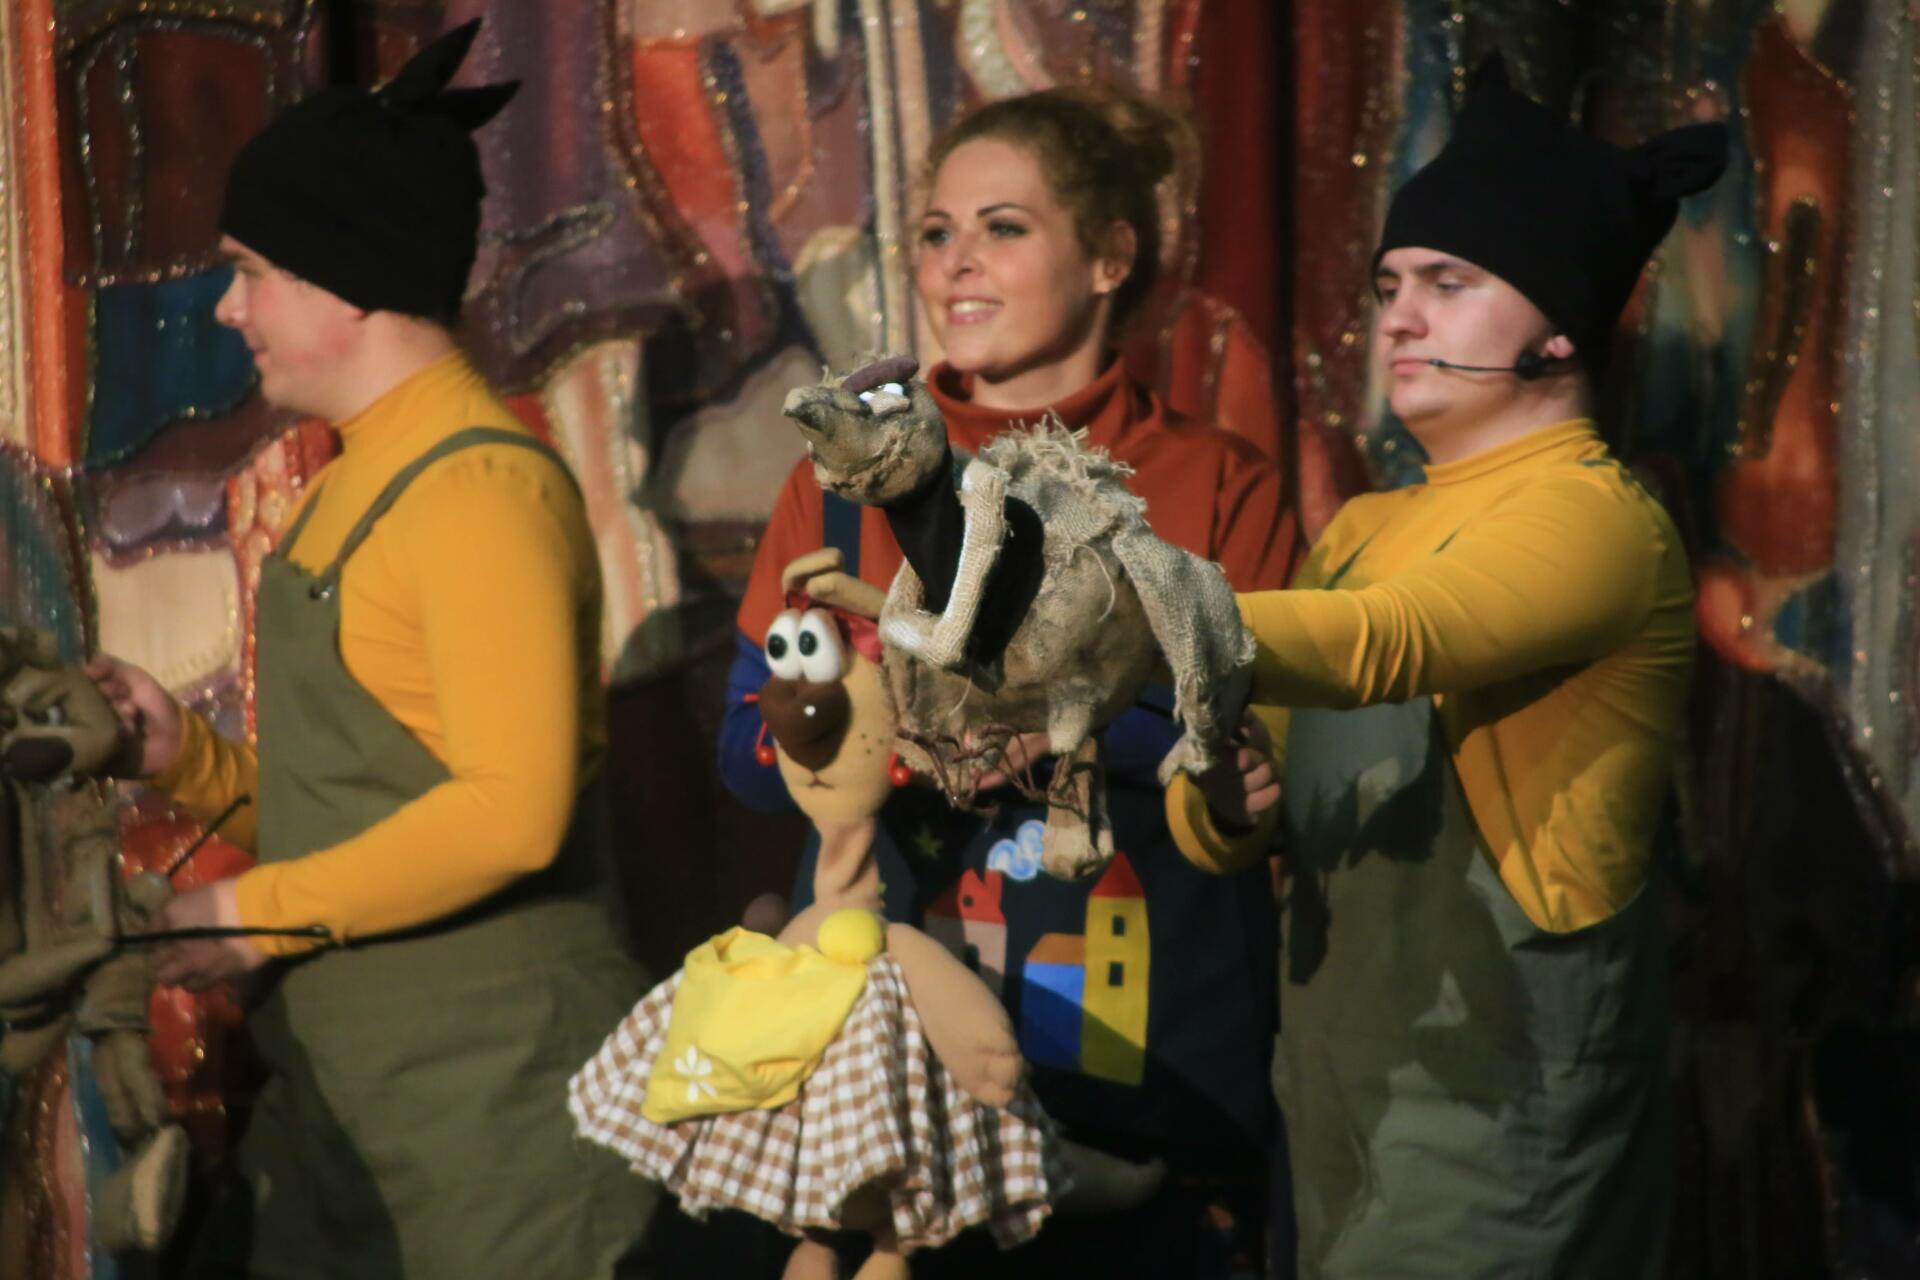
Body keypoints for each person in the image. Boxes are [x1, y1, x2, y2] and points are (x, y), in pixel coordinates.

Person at [84, 22, 659, 1278]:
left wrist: (253, 912)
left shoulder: (477, 489)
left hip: (495, 1128)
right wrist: (191, 761)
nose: (228, 307)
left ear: (343, 280)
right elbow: (367, 804)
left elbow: (510, 813)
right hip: (357, 1120)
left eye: (249, 271)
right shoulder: (358, 483)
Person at [721, 86, 1301, 1277]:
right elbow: (747, 754)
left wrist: (1053, 723)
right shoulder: (843, 479)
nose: (957, 262)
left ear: (1110, 256)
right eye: (937, 231)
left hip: (1145, 1095)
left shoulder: (1214, 482)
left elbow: (1258, 766)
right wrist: (881, 730)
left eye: (1004, 228)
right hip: (901, 1097)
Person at [1178, 55, 1729, 1279]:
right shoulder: (1363, 528)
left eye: (1448, 283)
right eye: (1389, 285)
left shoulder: (1596, 518)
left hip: (1500, 1131)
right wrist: (1223, 795)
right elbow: (1234, 809)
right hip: (1341, 1111)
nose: (1398, 317)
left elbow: (1396, 638)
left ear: (1558, 325)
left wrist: (1143, 607)